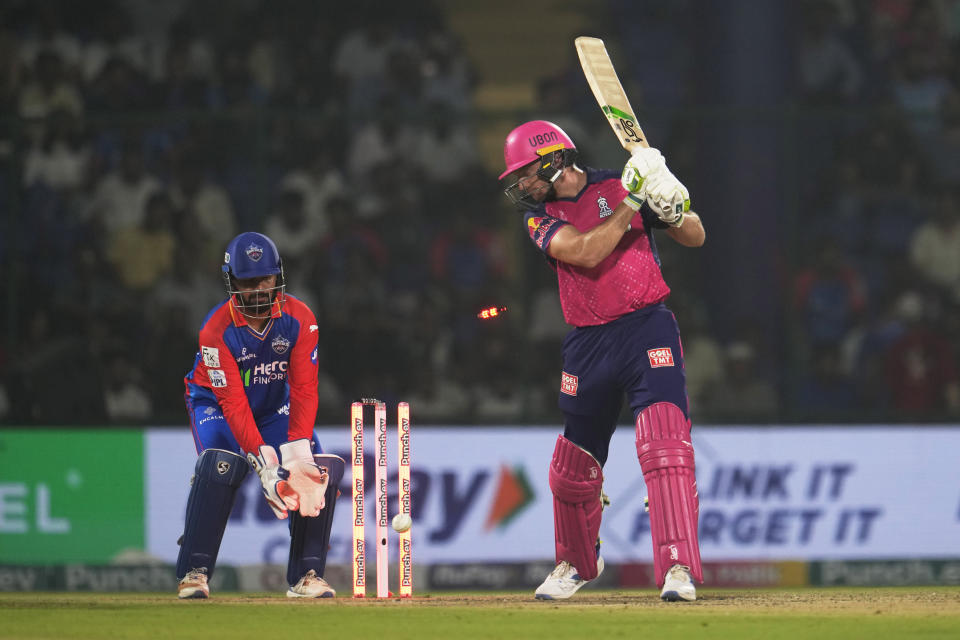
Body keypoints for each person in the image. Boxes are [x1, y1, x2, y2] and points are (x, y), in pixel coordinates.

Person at [499, 121, 706, 601]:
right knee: (572, 466)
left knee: (665, 448)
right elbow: (586, 252)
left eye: (526, 173)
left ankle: (678, 567)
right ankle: (574, 563)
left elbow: (695, 236)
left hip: (646, 328)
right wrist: (634, 202)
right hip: (588, 341)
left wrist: (673, 208)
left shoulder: (620, 182)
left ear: (553, 159)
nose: (522, 184)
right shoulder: (539, 218)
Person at [176, 231, 344, 599]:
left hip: (273, 407)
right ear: (232, 281)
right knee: (222, 465)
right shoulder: (215, 331)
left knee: (314, 472)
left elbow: (303, 389)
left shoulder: (300, 318)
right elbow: (234, 403)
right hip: (215, 404)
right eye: (247, 282)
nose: (256, 290)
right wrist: (265, 463)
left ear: (278, 276)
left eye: (264, 280)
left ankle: (307, 575)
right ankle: (194, 570)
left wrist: (297, 451)